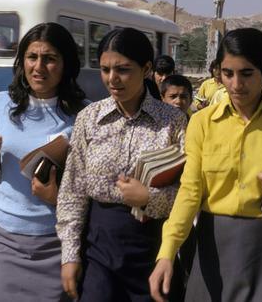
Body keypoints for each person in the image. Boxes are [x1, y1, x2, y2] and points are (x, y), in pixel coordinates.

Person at [149, 28, 262, 302]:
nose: (236, 84)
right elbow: (190, 192)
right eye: (227, 73)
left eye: (246, 73)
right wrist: (168, 251)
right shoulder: (202, 123)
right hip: (211, 245)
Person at [56, 27, 187, 302]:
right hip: (98, 248)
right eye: (105, 69)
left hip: (153, 247)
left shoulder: (173, 121)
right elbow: (73, 190)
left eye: (123, 69)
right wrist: (69, 254)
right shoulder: (89, 118)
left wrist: (149, 198)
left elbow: (190, 192)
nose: (112, 79)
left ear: (147, 68)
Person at [0, 22, 86, 302]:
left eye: (50, 59)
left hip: (58, 242)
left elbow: (87, 187)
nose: (39, 67)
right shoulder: (1, 104)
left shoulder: (83, 114)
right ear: (22, 61)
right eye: (32, 57)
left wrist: (56, 198)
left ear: (66, 64)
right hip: (7, 241)